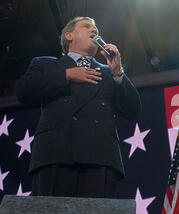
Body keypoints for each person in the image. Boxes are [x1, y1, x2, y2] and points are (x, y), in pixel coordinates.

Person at [16, 17, 141, 198]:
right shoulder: (46, 64)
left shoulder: (109, 72)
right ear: (69, 36)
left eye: (96, 28)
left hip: (100, 159)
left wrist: (117, 72)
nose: (94, 30)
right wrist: (67, 75)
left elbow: (133, 110)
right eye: (86, 26)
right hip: (55, 155)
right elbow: (24, 91)